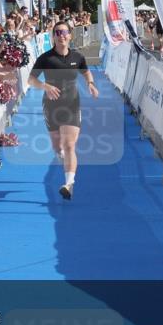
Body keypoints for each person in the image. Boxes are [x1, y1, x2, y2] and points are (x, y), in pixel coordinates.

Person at [28, 22, 99, 200]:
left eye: (65, 32)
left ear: (70, 35)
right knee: (57, 146)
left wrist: (90, 84)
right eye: (58, 32)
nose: (62, 36)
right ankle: (65, 161)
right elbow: (31, 80)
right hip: (51, 106)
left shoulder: (77, 57)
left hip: (71, 105)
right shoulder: (46, 58)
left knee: (69, 145)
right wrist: (44, 86)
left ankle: (69, 184)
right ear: (53, 36)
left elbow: (86, 72)